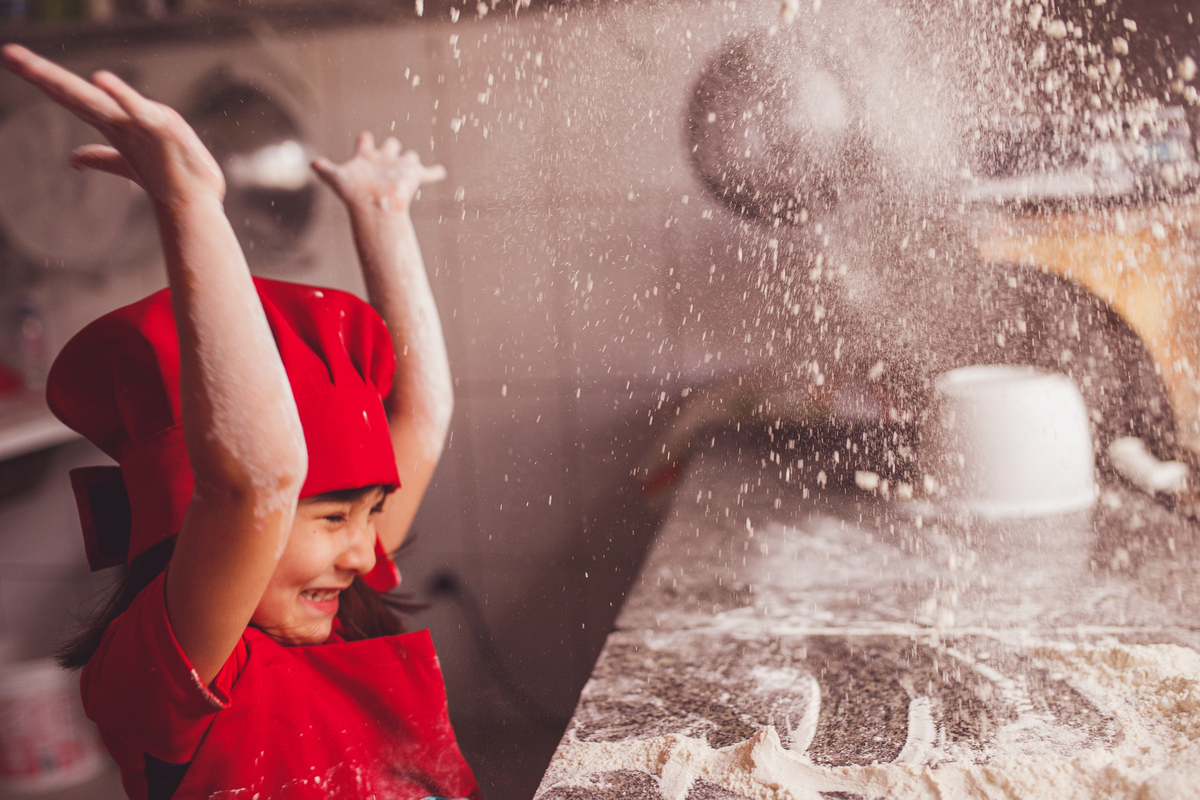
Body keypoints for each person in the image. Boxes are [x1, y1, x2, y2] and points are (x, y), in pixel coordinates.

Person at [0, 44, 478, 800]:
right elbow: (256, 482)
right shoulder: (168, 668)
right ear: (197, 513)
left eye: (372, 511)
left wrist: (382, 220)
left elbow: (423, 416)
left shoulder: (328, 585)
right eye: (332, 517)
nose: (365, 550)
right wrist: (189, 203)